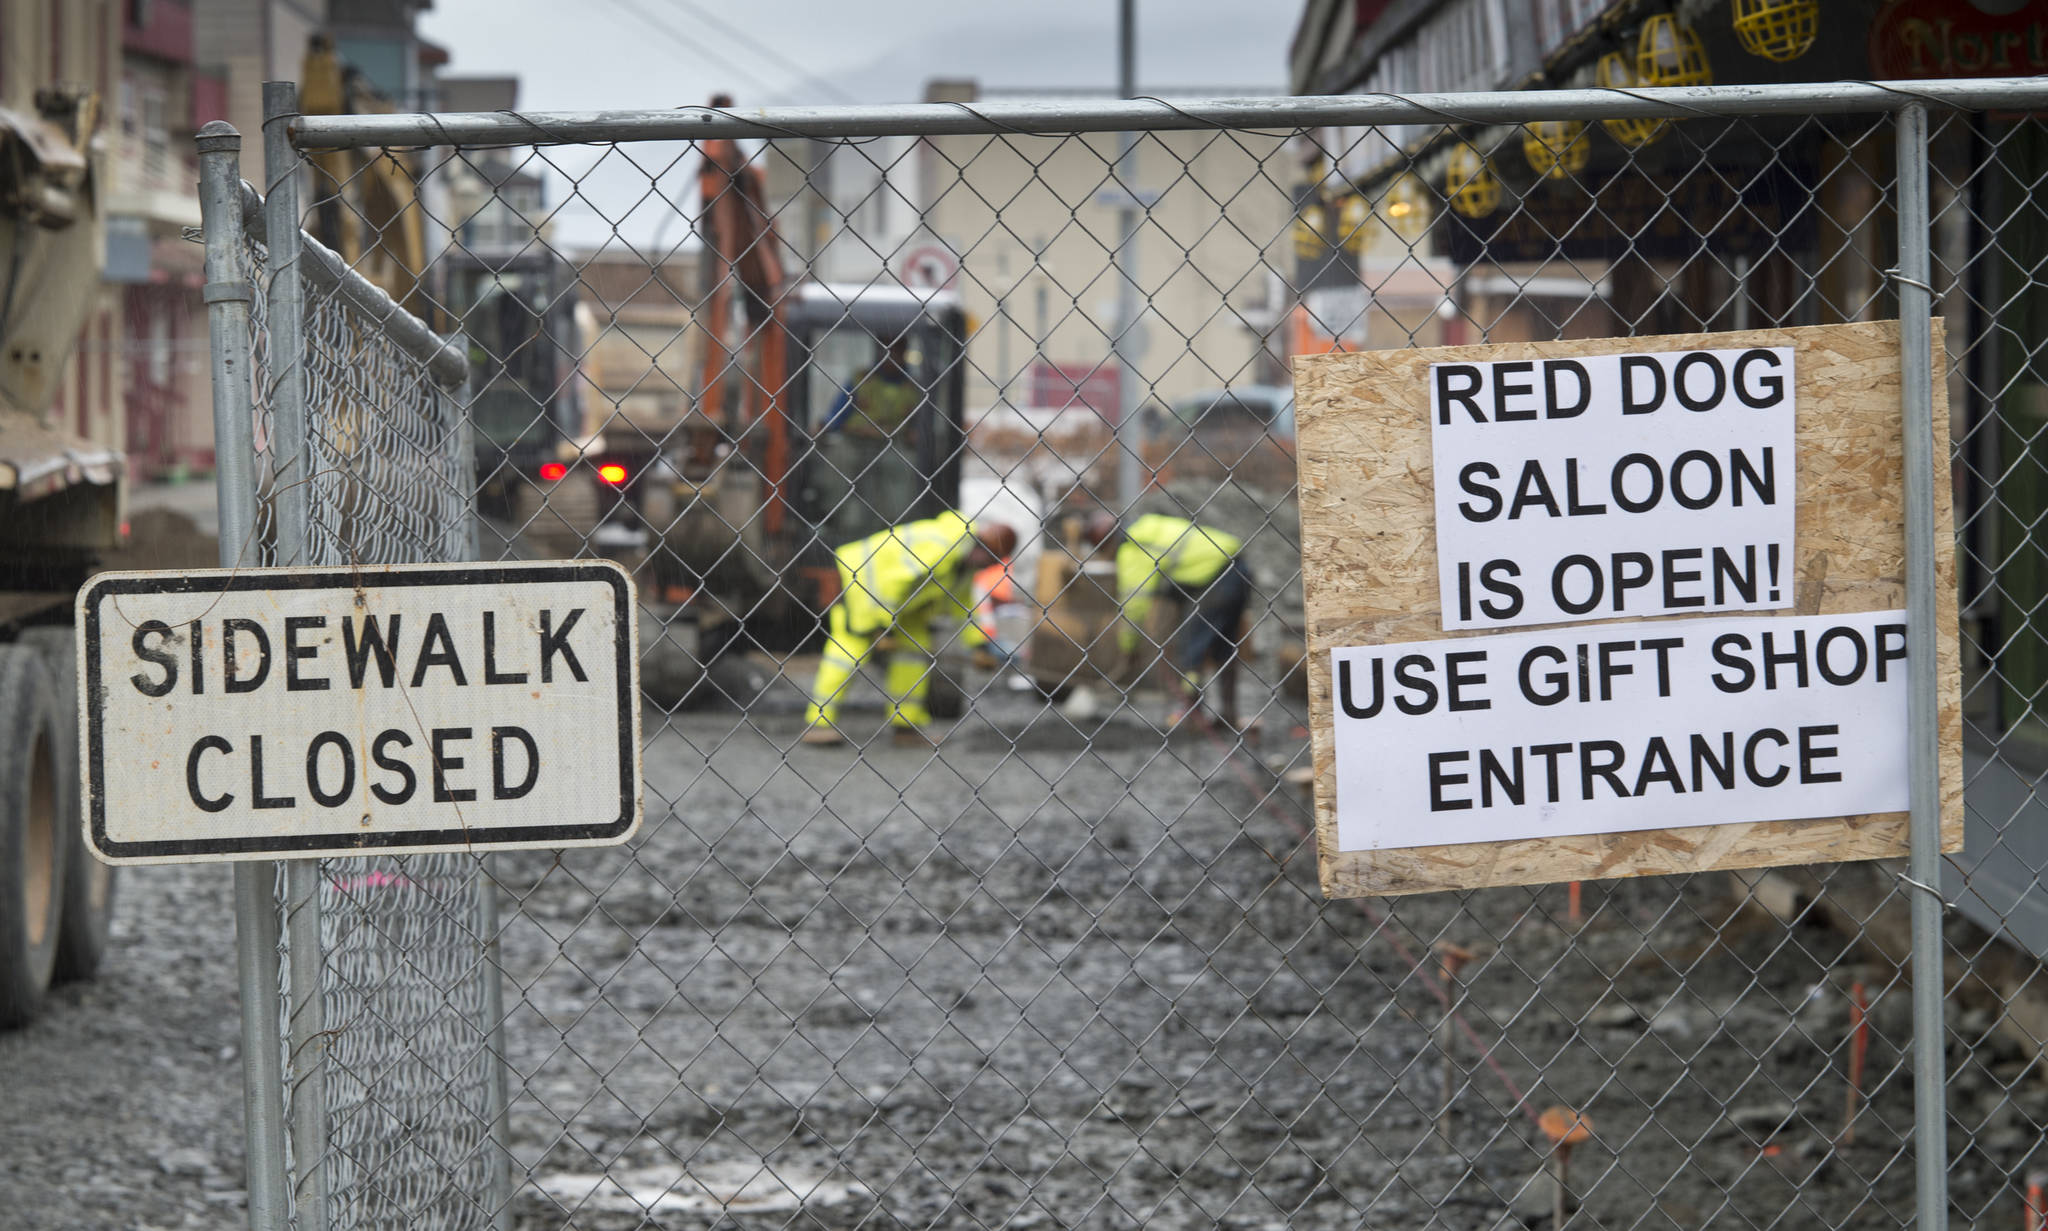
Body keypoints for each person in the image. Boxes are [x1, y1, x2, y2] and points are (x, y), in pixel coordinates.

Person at [801, 513, 1019, 747]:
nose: (987, 567)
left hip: (900, 603)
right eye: (990, 560)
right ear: (981, 548)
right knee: (847, 654)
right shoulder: (939, 547)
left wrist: (978, 645)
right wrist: (882, 628)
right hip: (861, 584)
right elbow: (891, 582)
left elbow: (963, 605)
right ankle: (819, 723)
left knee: (913, 654)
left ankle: (906, 725)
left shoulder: (963, 564)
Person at [1086, 511, 1251, 731]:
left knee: (1192, 651)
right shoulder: (1150, 525)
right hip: (1237, 569)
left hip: (1214, 578)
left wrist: (1129, 647)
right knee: (1225, 648)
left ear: (1105, 545)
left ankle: (1194, 716)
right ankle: (1228, 714)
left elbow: (1134, 606)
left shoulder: (1133, 549)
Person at [823, 337, 922, 438]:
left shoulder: (914, 386)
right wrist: (823, 426)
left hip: (898, 446)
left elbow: (918, 427)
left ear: (904, 350)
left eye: (897, 348)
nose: (892, 354)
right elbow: (836, 417)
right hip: (856, 443)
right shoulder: (861, 379)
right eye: (886, 347)